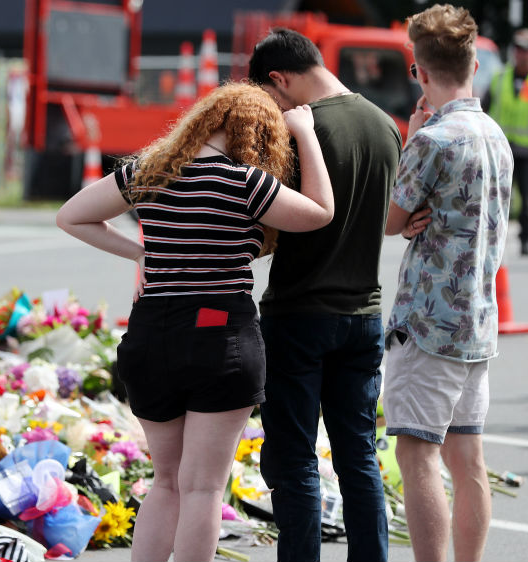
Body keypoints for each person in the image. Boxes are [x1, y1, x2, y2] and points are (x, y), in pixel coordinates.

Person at [57, 83, 335, 562]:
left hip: (151, 334)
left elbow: (71, 217)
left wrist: (142, 253)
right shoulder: (245, 180)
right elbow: (320, 213)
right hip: (219, 330)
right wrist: (306, 136)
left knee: (164, 482)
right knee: (204, 489)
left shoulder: (149, 171)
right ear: (258, 135)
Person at [247, 28, 404, 562]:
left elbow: (267, 226)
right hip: (364, 314)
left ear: (279, 79)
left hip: (299, 313)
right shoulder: (385, 126)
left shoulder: (300, 132)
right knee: (358, 455)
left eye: (269, 98)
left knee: (294, 462)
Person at [383, 5, 513, 562]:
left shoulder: (433, 140)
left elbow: (389, 221)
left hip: (430, 322)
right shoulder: (495, 135)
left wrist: (412, 134)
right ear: (475, 63)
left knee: (417, 456)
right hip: (477, 323)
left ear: (421, 72)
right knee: (469, 459)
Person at [483, 28, 528, 257]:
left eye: (524, 50)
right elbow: (483, 110)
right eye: (516, 49)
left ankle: (525, 240)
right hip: (502, 150)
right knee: (497, 198)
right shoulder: (499, 78)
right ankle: (493, 240)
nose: (519, 54)